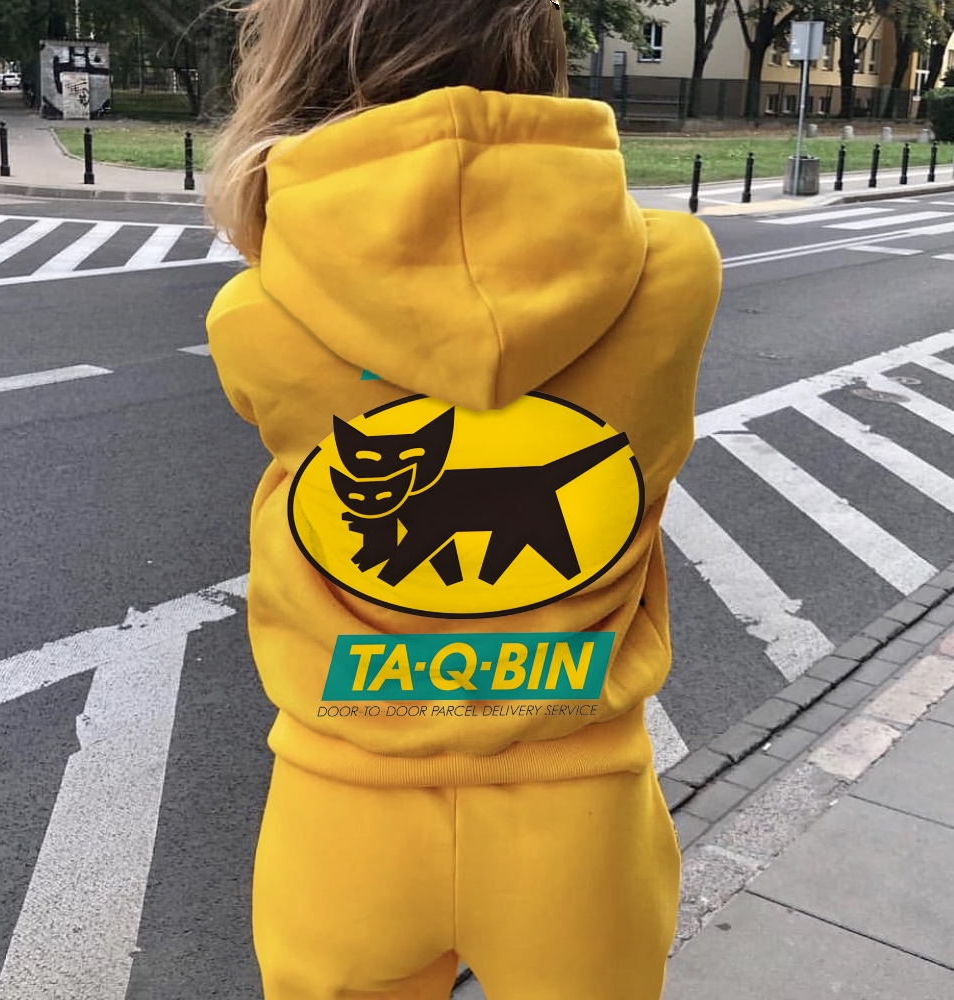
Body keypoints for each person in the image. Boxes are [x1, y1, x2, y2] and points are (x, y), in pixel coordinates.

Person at [205, 1, 722, 998]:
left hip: (343, 813)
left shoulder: (254, 315)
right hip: (577, 816)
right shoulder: (674, 271)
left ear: (306, 65)